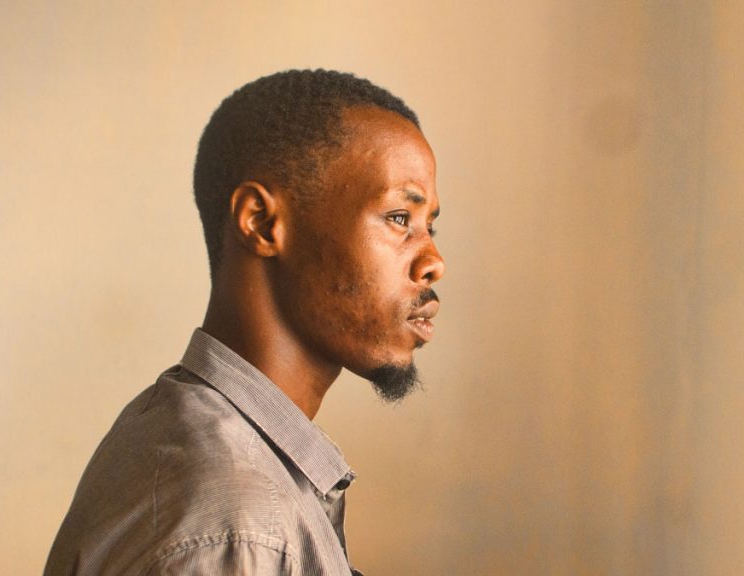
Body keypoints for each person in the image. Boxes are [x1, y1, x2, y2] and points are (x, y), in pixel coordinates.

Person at [44, 69, 444, 576]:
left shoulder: (176, 425)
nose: (434, 263)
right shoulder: (241, 528)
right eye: (399, 218)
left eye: (430, 227)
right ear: (261, 221)